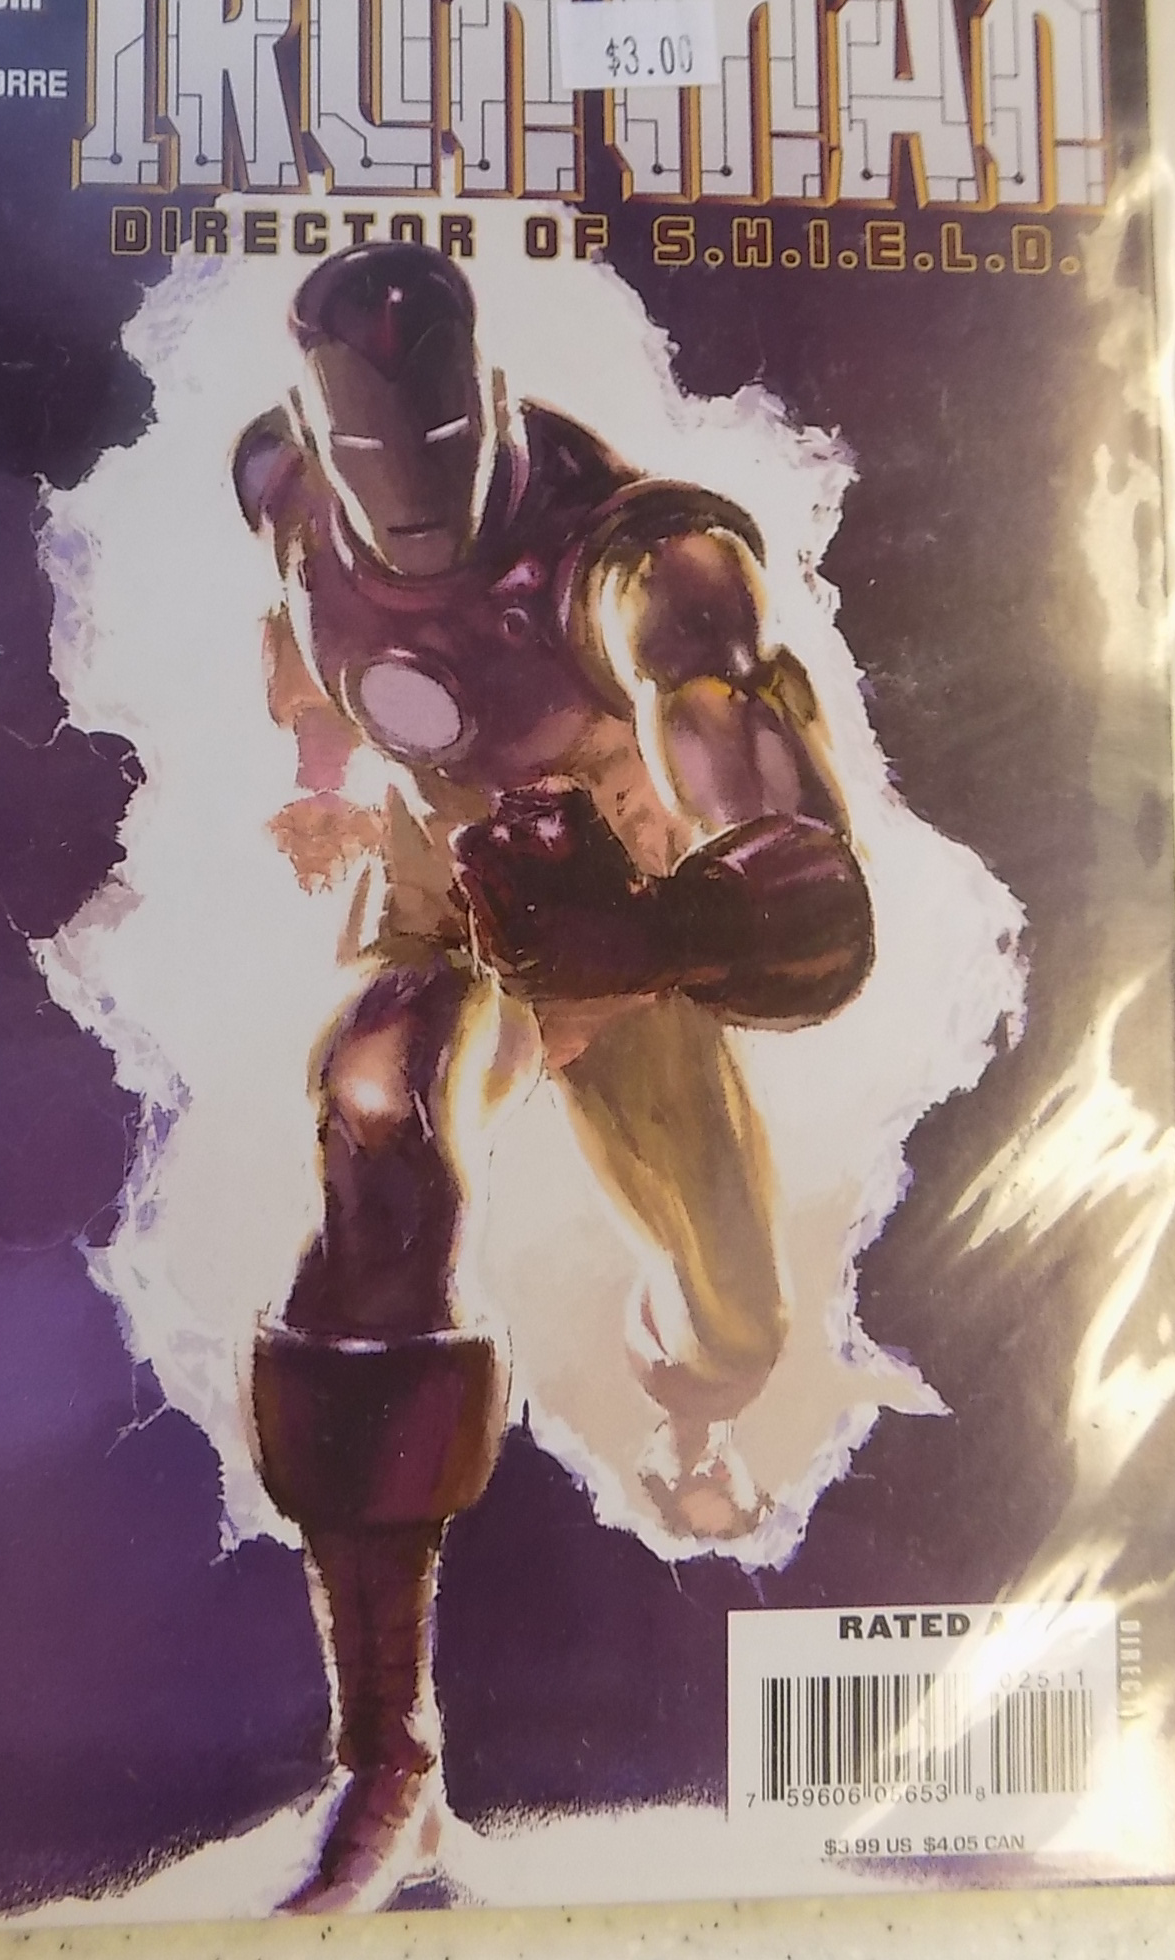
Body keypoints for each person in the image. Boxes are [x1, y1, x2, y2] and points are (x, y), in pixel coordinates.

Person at [233, 242, 873, 1911]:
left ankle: (698, 1404)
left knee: (734, 1313)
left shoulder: (645, 567)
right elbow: (312, 646)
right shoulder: (283, 484)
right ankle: (385, 1754)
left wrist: (652, 930)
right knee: (375, 1124)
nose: (403, 514)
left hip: (635, 916)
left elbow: (811, 903)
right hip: (449, 896)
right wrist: (323, 775)